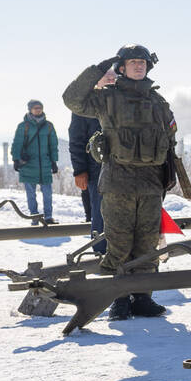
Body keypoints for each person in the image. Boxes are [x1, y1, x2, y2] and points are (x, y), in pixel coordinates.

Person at [63, 44, 177, 321]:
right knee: (119, 241)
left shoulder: (159, 102)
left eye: (142, 62)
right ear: (122, 68)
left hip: (150, 183)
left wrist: (167, 178)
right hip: (118, 182)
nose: (139, 66)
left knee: (147, 243)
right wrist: (99, 69)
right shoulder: (107, 98)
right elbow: (72, 99)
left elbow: (169, 142)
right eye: (132, 62)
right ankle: (119, 298)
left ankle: (143, 297)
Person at [68, 68, 115, 254]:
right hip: (97, 170)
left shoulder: (121, 101)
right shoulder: (85, 106)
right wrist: (79, 170)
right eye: (106, 76)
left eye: (113, 76)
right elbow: (77, 140)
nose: (111, 79)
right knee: (100, 214)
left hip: (123, 170)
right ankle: (100, 254)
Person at [11, 99, 60, 224]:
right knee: (31, 194)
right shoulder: (23, 126)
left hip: (45, 165)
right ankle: (34, 217)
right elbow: (17, 144)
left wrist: (54, 162)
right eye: (35, 108)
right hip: (28, 165)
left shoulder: (49, 126)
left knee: (48, 194)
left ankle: (48, 217)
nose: (38, 110)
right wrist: (16, 159)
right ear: (30, 110)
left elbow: (53, 145)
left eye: (40, 108)